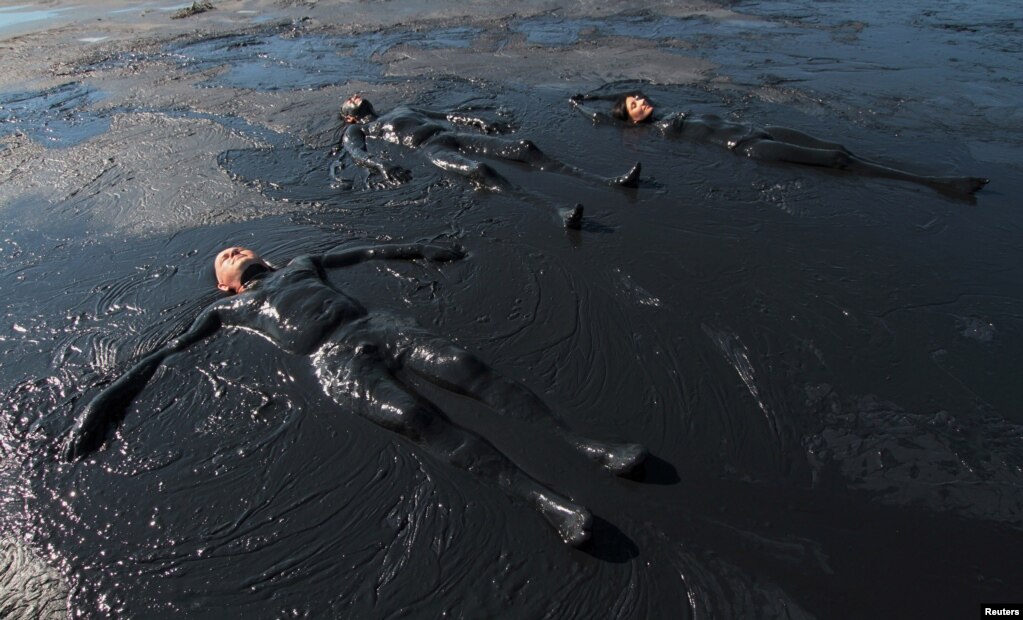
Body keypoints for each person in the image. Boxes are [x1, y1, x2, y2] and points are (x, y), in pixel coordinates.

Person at [62, 242, 649, 545]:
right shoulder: (226, 313)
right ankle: (549, 504)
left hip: (378, 326)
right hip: (334, 364)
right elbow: (166, 355)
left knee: (474, 373)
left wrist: (423, 248)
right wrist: (104, 403)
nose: (236, 250)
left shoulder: (301, 265)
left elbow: (364, 250)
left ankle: (589, 445)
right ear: (223, 283)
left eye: (239, 245)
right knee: (421, 421)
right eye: (226, 256)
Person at [570, 90, 989, 198]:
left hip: (760, 131)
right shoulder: (649, 131)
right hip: (748, 147)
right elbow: (601, 121)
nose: (641, 101)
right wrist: (581, 104)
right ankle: (939, 184)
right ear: (628, 119)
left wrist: (602, 94)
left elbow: (617, 99)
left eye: (640, 97)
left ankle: (936, 181)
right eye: (633, 104)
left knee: (838, 145)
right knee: (837, 160)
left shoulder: (665, 115)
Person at [334, 94, 642, 228]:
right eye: (352, 98)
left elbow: (444, 115)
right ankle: (556, 210)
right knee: (479, 170)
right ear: (348, 115)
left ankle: (608, 182)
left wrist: (475, 121)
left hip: (448, 135)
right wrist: (381, 166)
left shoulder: (401, 107)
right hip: (430, 148)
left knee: (524, 147)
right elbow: (357, 154)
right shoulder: (358, 128)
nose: (358, 95)